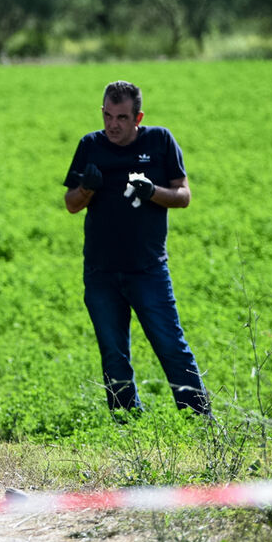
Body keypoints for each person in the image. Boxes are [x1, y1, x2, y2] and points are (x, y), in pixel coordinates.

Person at [62, 80, 210, 416]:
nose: (113, 124)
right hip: (101, 271)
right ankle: (128, 423)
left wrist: (151, 191)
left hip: (148, 270)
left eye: (122, 117)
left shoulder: (160, 141)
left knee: (171, 347)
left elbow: (183, 196)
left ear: (137, 117)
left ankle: (200, 421)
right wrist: (87, 188)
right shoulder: (90, 146)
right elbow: (71, 204)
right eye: (108, 115)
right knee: (114, 354)